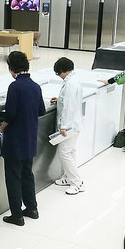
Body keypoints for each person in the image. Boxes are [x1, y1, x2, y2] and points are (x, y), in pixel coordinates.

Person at [0, 50, 45, 226]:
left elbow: (10, 114)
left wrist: (3, 126)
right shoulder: (35, 86)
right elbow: (41, 110)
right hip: (30, 140)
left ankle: (17, 215)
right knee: (27, 175)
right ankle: (32, 209)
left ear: (12, 68)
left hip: (15, 141)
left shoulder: (15, 87)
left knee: (13, 178)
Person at [52, 56, 85, 195]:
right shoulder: (74, 80)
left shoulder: (70, 84)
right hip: (75, 123)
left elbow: (69, 106)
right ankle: (68, 177)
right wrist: (59, 99)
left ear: (62, 71)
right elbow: (69, 99)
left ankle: (77, 182)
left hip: (70, 125)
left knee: (64, 152)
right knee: (70, 152)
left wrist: (63, 126)